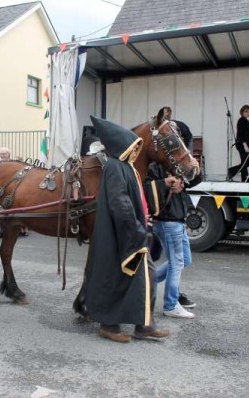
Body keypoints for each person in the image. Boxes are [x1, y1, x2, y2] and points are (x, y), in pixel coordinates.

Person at [85, 116, 169, 343]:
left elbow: (137, 197)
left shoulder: (128, 167)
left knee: (144, 277)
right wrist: (135, 229)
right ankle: (109, 326)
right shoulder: (114, 167)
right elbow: (119, 202)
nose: (136, 151)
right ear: (123, 146)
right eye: (133, 147)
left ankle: (145, 325)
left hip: (134, 233)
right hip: (123, 235)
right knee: (118, 278)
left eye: (137, 147)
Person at [145, 147, 202, 319]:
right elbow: (148, 190)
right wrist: (168, 184)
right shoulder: (154, 165)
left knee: (184, 259)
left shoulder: (175, 163)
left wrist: (196, 170)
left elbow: (191, 181)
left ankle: (149, 281)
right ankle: (171, 304)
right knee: (177, 262)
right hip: (167, 220)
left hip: (177, 220)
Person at [227, 105, 249, 182]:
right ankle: (233, 171)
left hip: (244, 143)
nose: (248, 113)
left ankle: (244, 178)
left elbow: (247, 135)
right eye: (246, 111)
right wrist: (244, 144)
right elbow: (241, 134)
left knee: (246, 161)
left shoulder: (246, 121)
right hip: (241, 144)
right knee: (247, 161)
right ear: (242, 112)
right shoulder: (241, 121)